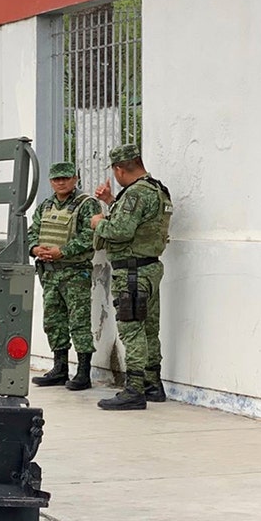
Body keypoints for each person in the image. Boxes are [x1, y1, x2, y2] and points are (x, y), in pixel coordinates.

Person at [90, 144, 173, 410]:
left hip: (132, 273)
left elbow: (121, 230)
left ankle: (134, 390)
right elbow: (140, 222)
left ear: (119, 168)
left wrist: (98, 223)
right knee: (149, 328)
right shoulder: (157, 189)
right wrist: (112, 202)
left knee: (132, 328)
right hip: (149, 268)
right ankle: (152, 384)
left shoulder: (136, 193)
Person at [28, 161, 102, 390]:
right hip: (50, 274)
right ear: (51, 181)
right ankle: (60, 368)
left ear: (75, 179)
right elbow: (32, 232)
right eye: (56, 179)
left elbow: (91, 236)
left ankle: (83, 372)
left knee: (79, 323)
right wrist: (34, 249)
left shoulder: (87, 204)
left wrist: (63, 251)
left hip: (74, 273)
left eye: (65, 178)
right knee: (53, 322)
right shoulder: (46, 205)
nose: (60, 182)